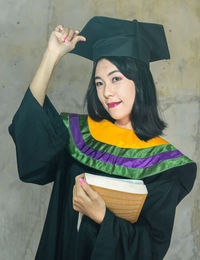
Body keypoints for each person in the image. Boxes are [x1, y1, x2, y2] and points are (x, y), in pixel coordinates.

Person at [8, 16, 197, 260]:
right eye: (99, 82)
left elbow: (151, 249)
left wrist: (102, 217)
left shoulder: (164, 165)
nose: (106, 92)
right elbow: (32, 155)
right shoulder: (77, 135)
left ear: (140, 81)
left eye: (116, 78)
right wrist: (52, 55)